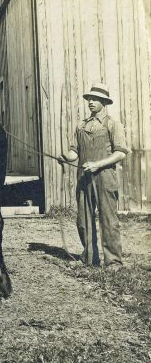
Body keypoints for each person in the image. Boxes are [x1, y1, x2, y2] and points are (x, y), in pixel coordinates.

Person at [61, 82, 130, 268]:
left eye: (95, 99)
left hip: (105, 177)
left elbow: (121, 152)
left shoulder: (113, 125)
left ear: (104, 102)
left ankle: (113, 262)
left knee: (108, 219)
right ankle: (90, 259)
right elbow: (74, 153)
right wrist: (66, 157)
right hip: (84, 178)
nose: (90, 102)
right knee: (83, 219)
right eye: (89, 99)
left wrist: (98, 164)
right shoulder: (81, 126)